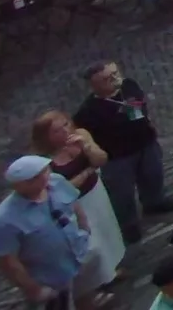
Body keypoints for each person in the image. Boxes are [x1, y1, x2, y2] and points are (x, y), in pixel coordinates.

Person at [72, 59, 173, 243]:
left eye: (115, 73)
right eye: (107, 78)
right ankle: (128, 225)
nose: (115, 79)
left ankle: (154, 202)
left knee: (153, 175)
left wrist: (133, 116)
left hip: (145, 142)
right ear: (95, 85)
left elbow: (138, 110)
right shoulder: (88, 112)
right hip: (118, 156)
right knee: (122, 193)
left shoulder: (128, 85)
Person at [31, 110, 124, 301]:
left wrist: (87, 147)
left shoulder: (81, 135)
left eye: (66, 124)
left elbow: (102, 159)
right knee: (90, 243)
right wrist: (87, 172)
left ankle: (110, 270)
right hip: (75, 204)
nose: (65, 131)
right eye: (58, 130)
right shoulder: (45, 161)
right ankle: (94, 286)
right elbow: (59, 188)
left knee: (106, 231)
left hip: (95, 192)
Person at [0, 154, 92, 310]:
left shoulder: (56, 182)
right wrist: (34, 289)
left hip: (78, 258)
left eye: (45, 172)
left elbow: (73, 202)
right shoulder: (4, 220)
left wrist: (85, 230)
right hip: (51, 280)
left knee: (85, 298)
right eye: (36, 177)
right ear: (19, 185)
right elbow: (8, 262)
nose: (44, 178)